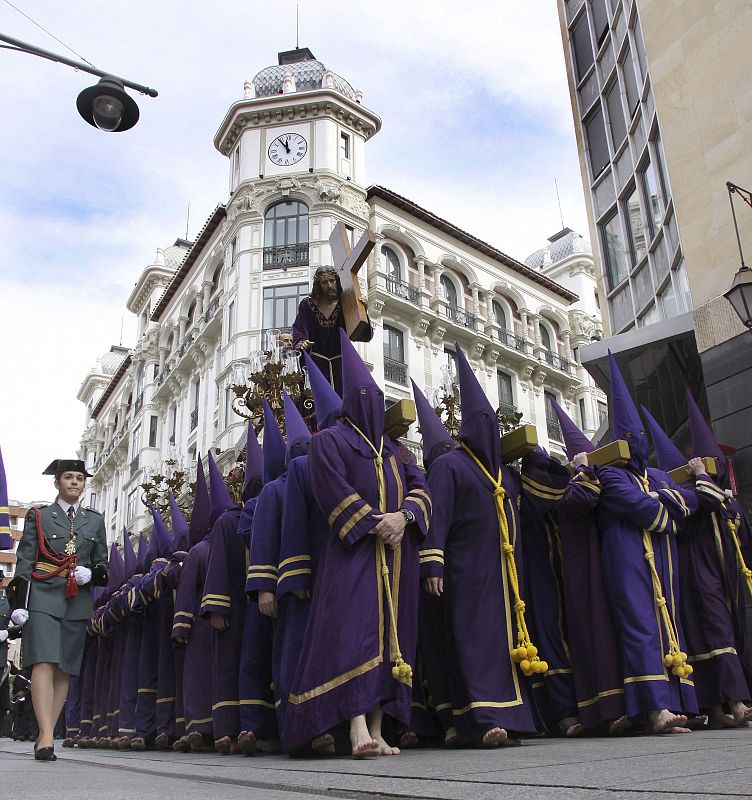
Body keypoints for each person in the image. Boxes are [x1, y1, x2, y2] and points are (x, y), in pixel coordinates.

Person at [285, 330, 431, 757]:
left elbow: (422, 491)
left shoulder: (399, 452)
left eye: (375, 396)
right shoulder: (329, 441)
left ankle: (379, 727)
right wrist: (374, 522)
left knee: (395, 639)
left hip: (398, 557)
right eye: (362, 396)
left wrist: (403, 518)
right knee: (354, 636)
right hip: (352, 556)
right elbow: (332, 488)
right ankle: (354, 727)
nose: (369, 403)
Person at [421, 345, 570, 747]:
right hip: (466, 573)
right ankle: (483, 719)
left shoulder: (508, 475)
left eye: (492, 422)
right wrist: (433, 564)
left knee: (509, 644)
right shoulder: (449, 466)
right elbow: (436, 518)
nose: (487, 428)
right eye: (480, 421)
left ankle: (516, 718)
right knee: (474, 640)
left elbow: (542, 501)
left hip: (508, 579)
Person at [596, 355, 698, 734]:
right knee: (640, 627)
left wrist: (665, 501)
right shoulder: (610, 473)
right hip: (627, 557)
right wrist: (664, 505)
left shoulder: (655, 474)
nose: (636, 442)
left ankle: (680, 701)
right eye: (629, 437)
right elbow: (635, 505)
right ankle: (654, 709)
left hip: (664, 560)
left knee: (671, 626)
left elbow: (688, 501)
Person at [12, 459, 108, 761]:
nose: (75, 483)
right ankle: (45, 737)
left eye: (80, 478)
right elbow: (25, 559)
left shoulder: (94, 519)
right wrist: (20, 604)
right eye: (69, 477)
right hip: (42, 594)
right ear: (58, 483)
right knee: (43, 661)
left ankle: (47, 733)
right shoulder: (39, 515)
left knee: (65, 666)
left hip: (77, 598)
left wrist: (91, 573)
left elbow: (102, 562)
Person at [292, 266, 373, 395]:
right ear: (318, 285)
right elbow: (299, 328)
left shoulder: (346, 303)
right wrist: (301, 342)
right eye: (324, 282)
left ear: (337, 281)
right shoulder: (307, 305)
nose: (329, 285)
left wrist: (363, 312)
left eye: (332, 281)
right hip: (317, 365)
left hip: (342, 365)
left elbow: (363, 335)